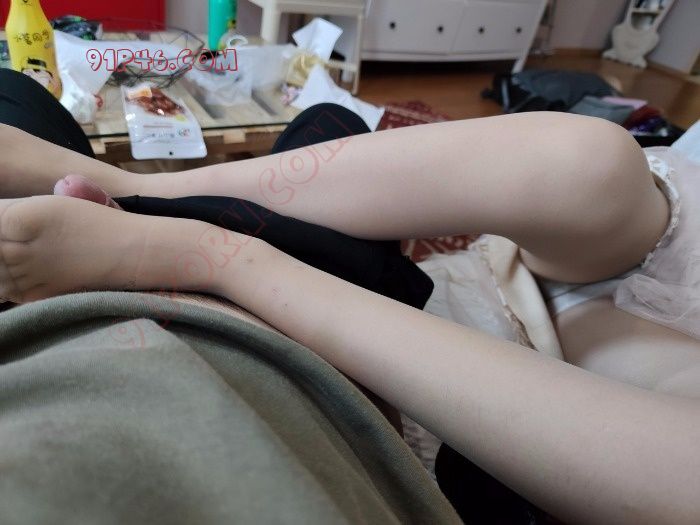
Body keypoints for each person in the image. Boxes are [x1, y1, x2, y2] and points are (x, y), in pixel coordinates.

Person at [1, 68, 700, 524]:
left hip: (541, 387)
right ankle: (140, 191)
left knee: (327, 122)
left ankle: (193, 234)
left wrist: (225, 261)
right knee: (589, 164)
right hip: (593, 268)